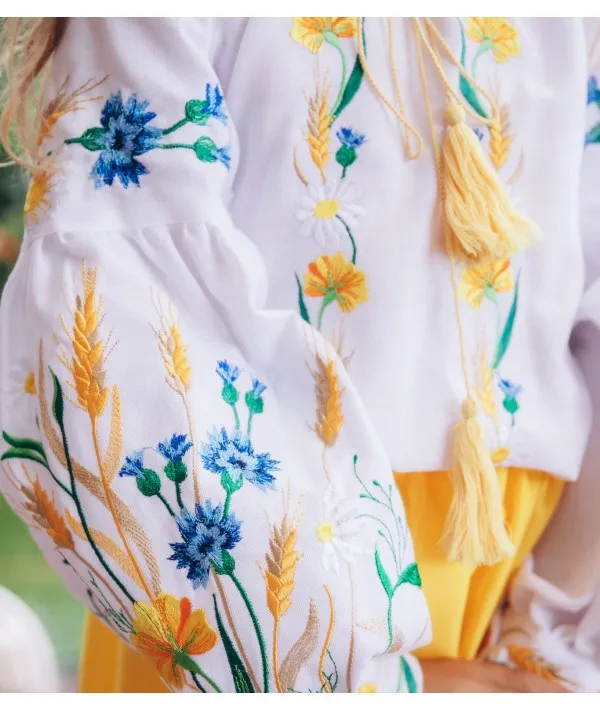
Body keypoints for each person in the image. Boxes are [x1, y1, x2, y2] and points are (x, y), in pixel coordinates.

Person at [0, 17, 598, 694]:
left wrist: (558, 639)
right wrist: (347, 682)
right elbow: (118, 298)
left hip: (526, 569)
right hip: (253, 560)